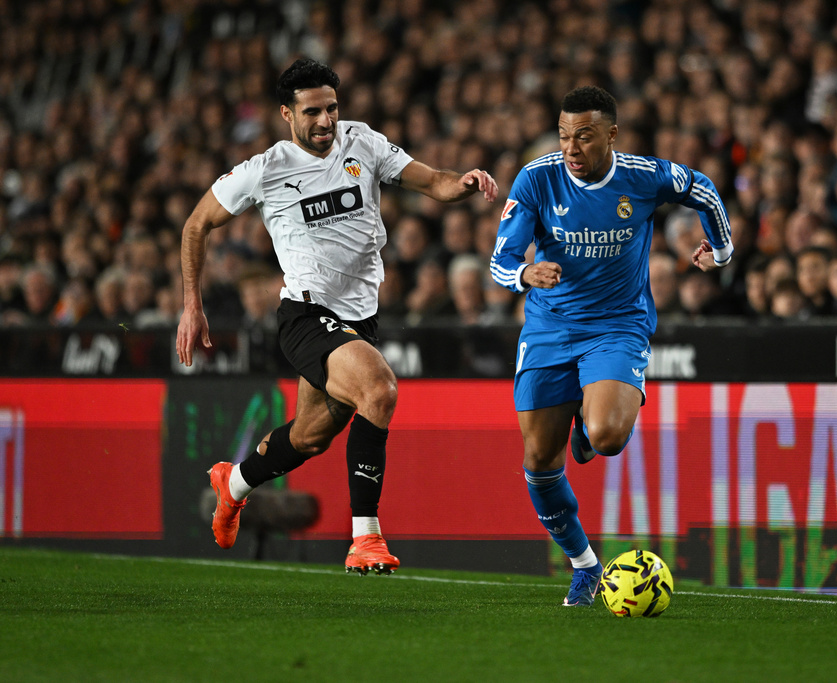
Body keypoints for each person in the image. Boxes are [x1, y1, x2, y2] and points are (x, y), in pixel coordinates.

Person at [175, 58, 497, 573]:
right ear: (286, 113)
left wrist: (464, 183)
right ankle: (364, 538)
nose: (326, 121)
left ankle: (231, 484)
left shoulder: (362, 143)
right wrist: (192, 304)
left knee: (310, 437)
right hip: (305, 313)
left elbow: (432, 180)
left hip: (359, 319)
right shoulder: (265, 169)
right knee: (379, 389)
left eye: (332, 108)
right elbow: (196, 225)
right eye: (312, 112)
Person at [489, 86, 731, 606]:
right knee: (537, 459)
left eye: (584, 136)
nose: (571, 147)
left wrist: (723, 248)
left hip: (617, 325)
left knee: (605, 437)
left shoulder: (642, 177)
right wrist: (526, 272)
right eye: (563, 136)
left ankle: (586, 424)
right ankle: (584, 565)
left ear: (611, 135)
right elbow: (499, 259)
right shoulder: (537, 177)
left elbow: (704, 188)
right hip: (550, 328)